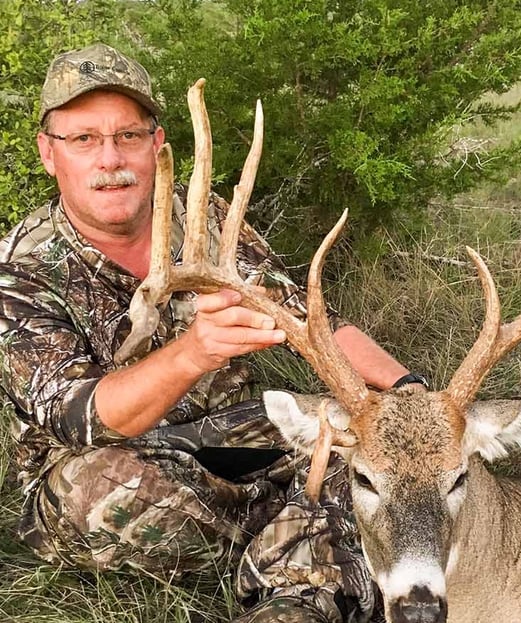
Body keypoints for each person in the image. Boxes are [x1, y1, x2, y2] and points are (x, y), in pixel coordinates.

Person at [0, 43, 427, 623]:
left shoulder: (201, 217)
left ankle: (300, 568)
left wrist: (409, 393)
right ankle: (304, 548)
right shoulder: (19, 271)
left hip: (225, 436)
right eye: (83, 139)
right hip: (97, 462)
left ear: (157, 144)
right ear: (49, 154)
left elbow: (308, 320)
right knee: (103, 493)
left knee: (356, 430)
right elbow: (84, 418)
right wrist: (193, 353)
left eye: (128, 136)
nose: (110, 159)